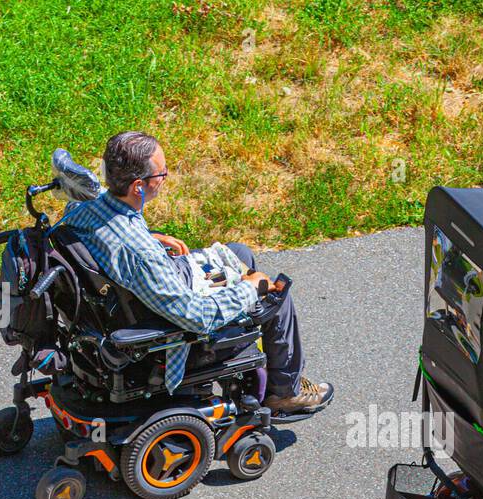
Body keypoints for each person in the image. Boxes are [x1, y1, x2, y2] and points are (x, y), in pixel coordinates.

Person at [61, 131, 332, 415]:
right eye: (161, 174)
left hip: (134, 293)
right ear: (138, 186)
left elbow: (117, 236)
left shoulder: (86, 207)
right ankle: (285, 393)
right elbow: (197, 317)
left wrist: (151, 236)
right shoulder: (141, 254)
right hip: (170, 335)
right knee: (275, 299)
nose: (165, 178)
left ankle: (268, 371)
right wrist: (252, 288)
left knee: (239, 253)